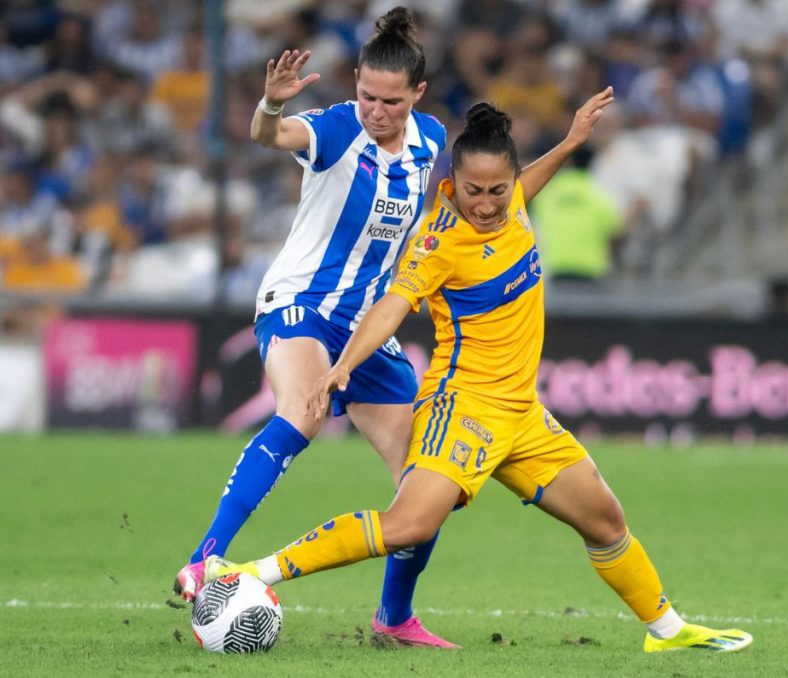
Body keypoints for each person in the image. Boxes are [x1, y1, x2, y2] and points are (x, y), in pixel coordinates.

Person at [194, 93, 754, 654]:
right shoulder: (439, 244)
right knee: (409, 523)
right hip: (462, 407)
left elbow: (524, 189)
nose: (485, 205)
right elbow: (390, 306)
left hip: (523, 414)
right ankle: (251, 573)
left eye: (497, 191)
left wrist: (570, 143)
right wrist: (342, 366)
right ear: (452, 184)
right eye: (472, 192)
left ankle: (667, 631)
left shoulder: (512, 205)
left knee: (605, 519)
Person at [172, 7, 456, 649]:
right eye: (365, 95)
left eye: (389, 101)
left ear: (417, 95)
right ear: (353, 83)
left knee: (425, 484)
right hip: (299, 301)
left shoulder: (432, 140)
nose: (375, 111)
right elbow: (269, 137)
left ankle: (395, 619)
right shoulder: (334, 129)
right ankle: (202, 557)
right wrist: (270, 107)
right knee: (303, 409)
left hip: (365, 327)